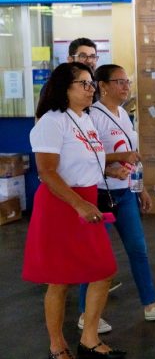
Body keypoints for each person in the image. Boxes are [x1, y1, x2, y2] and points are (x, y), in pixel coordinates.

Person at [23, 62, 125, 359]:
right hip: (61, 205)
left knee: (103, 270)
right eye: (84, 83)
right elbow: (47, 171)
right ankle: (57, 346)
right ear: (64, 88)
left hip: (86, 201)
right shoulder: (52, 122)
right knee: (60, 280)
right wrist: (78, 204)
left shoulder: (85, 119)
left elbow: (84, 158)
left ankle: (89, 339)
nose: (91, 88)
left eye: (91, 83)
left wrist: (110, 170)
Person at [76, 64, 155, 332]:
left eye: (127, 81)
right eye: (119, 81)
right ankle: (84, 314)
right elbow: (87, 155)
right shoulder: (92, 116)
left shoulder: (123, 113)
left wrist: (141, 187)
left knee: (138, 248)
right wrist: (115, 161)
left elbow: (132, 153)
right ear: (103, 86)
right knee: (94, 256)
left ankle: (151, 304)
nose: (126, 86)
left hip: (125, 193)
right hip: (100, 194)